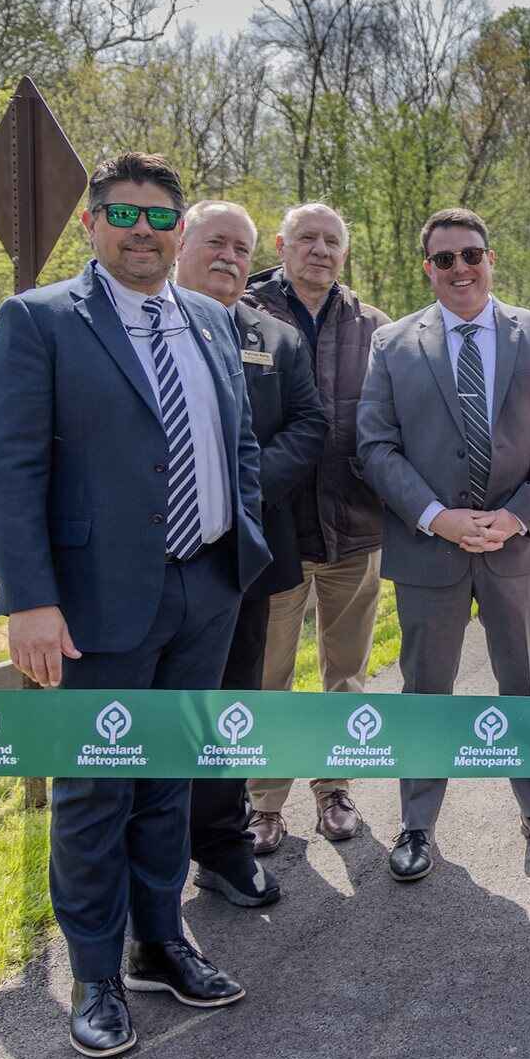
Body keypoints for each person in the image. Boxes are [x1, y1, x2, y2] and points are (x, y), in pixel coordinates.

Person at [0, 153, 272, 1058]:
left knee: (167, 782)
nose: (142, 231)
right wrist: (30, 601)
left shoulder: (215, 323)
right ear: (91, 224)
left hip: (204, 587)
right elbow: (8, 465)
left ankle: (160, 942)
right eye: (123, 214)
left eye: (158, 217)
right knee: (96, 789)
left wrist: (239, 543)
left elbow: (240, 443)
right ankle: (95, 974)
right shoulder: (39, 321)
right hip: (96, 602)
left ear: (180, 229)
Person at [359, 207, 530, 884]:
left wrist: (516, 517)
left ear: (491, 259)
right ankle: (417, 824)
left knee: (524, 682)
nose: (460, 268)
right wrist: (435, 516)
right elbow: (375, 445)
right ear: (427, 268)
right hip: (430, 549)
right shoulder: (394, 346)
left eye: (471, 254)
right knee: (427, 691)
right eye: (445, 258)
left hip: (517, 546)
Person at [174, 202, 327, 909]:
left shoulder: (276, 339)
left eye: (240, 247)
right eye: (215, 243)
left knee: (232, 707)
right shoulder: (146, 329)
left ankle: (223, 849)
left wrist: (238, 483)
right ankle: (148, 863)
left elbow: (309, 423)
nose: (229, 257)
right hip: (152, 567)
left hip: (245, 558)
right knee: (156, 715)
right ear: (182, 246)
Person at [240, 203, 389, 851]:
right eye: (307, 239)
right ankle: (265, 802)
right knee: (269, 673)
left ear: (345, 253)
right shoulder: (244, 316)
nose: (320, 250)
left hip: (353, 530)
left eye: (332, 241)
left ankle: (335, 788)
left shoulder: (373, 328)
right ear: (281, 244)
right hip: (274, 533)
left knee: (345, 671)